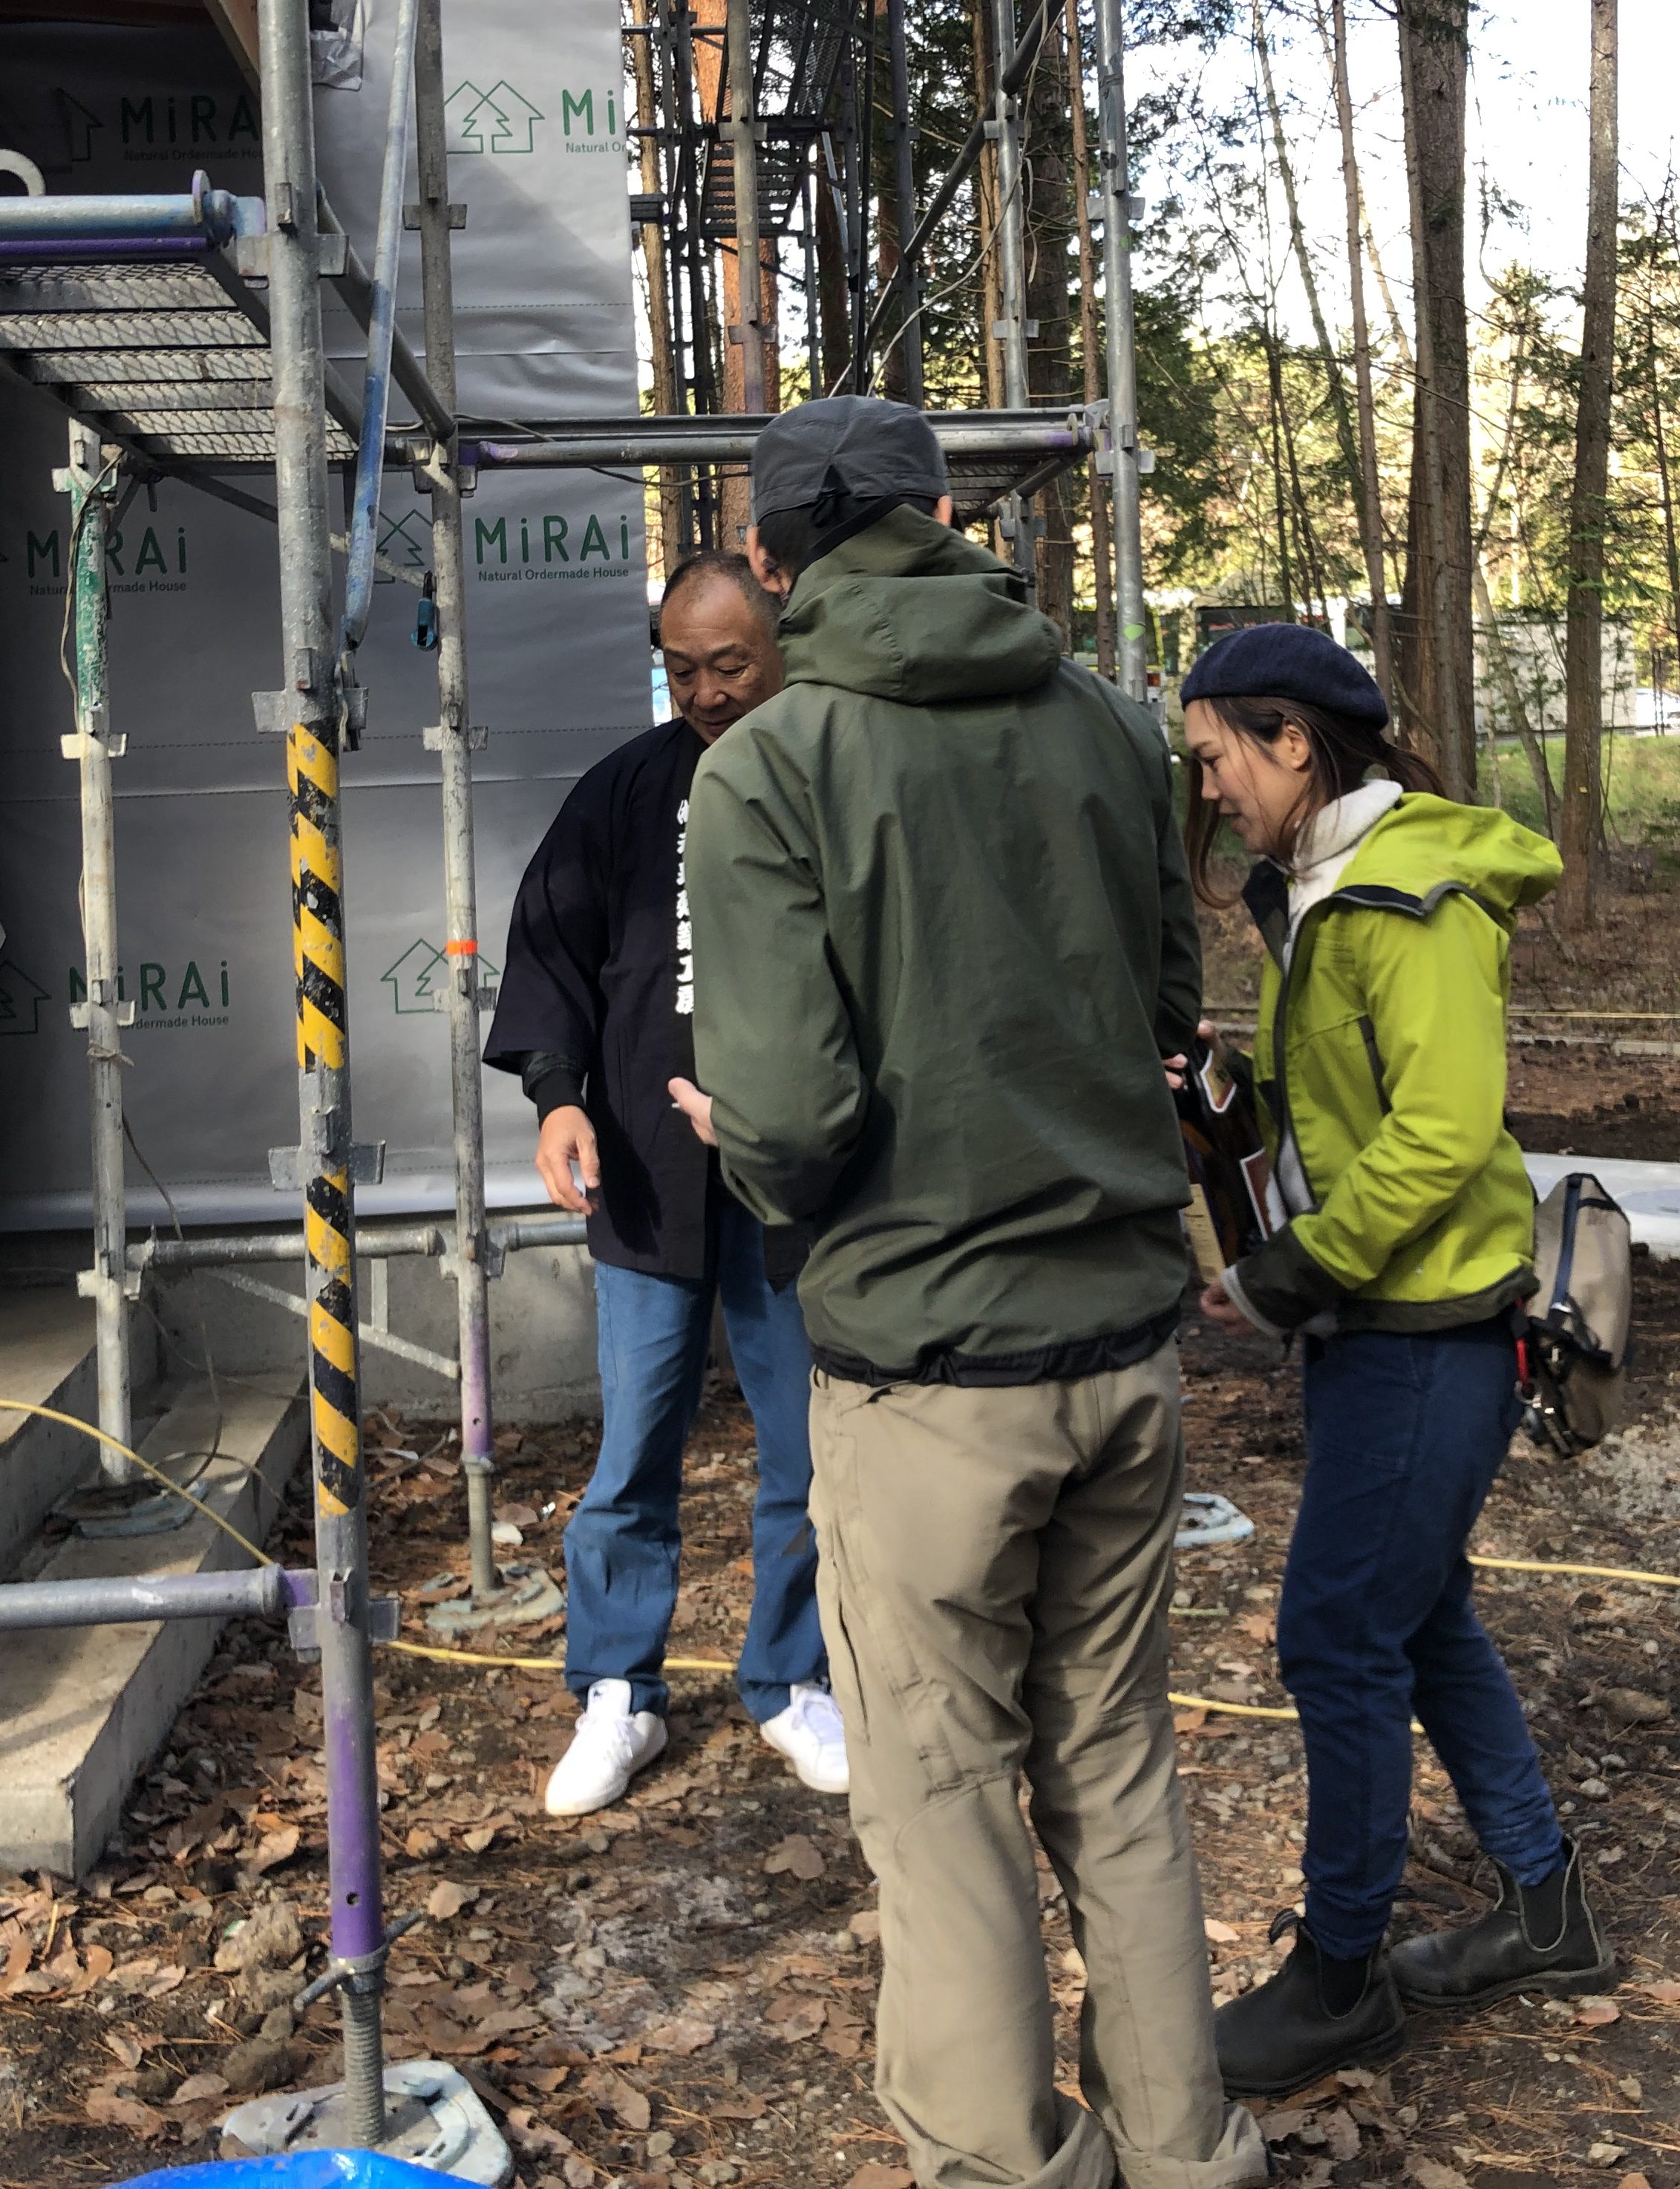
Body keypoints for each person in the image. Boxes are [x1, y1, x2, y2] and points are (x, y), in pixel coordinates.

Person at [670, 394, 1267, 2189]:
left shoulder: (764, 769)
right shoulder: (1103, 717)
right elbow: (1173, 1004)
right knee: (1121, 1772)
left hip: (926, 1371)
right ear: (942, 510)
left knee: (938, 1813)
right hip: (1122, 1346)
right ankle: (1186, 2153)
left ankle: (1010, 2170)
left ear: (772, 567)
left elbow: (785, 1117)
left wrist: (747, 1144)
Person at [1181, 623, 1613, 2097]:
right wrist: (1227, 1105)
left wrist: (1302, 1267)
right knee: (1418, 1623)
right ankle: (1548, 1912)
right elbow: (1352, 1112)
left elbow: (1440, 1128)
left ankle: (1342, 1976)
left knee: (1335, 1639)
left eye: (1218, 758)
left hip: (1429, 1335)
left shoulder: (1407, 900)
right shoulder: (1317, 892)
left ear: (1294, 742)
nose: (1212, 790)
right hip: (1386, 1324)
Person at [484, 552, 847, 1818]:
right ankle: (619, 1691)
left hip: (792, 1184)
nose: (703, 693)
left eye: (729, 665)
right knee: (632, 1453)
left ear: (781, 646)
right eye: (681, 669)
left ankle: (794, 1678)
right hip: (645, 1174)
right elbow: (551, 956)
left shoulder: (829, 776)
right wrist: (558, 1095)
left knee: (806, 1455)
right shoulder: (625, 791)